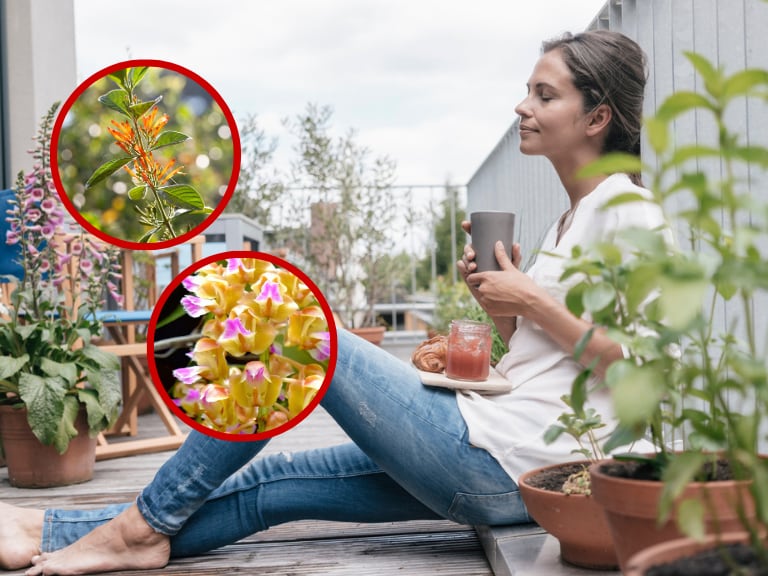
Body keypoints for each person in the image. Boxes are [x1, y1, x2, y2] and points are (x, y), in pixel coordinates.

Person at [1, 29, 663, 575]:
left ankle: (138, 527)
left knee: (299, 328)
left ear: (597, 116)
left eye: (543, 95)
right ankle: (52, 527)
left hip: (501, 464)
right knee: (276, 487)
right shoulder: (571, 221)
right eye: (526, 90)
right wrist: (500, 304)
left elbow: (642, 376)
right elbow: (540, 361)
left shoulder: (630, 214)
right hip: (498, 452)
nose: (522, 106)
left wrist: (534, 301)